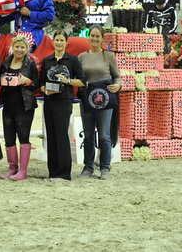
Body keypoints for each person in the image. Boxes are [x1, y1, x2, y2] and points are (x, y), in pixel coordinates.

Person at [39, 30, 86, 181]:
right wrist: (44, 90)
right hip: (49, 101)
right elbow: (40, 83)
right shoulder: (47, 61)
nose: (59, 43)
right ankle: (53, 172)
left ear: (66, 42)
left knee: (61, 136)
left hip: (64, 101)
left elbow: (82, 81)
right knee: (51, 136)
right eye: (56, 40)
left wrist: (68, 81)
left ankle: (64, 173)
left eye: (61, 40)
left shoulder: (72, 60)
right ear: (53, 42)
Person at [78, 25, 121, 180]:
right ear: (89, 37)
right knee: (88, 135)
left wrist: (118, 85)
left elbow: (117, 76)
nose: (95, 39)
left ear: (102, 39)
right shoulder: (81, 57)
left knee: (104, 135)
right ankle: (88, 167)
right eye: (92, 36)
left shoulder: (108, 56)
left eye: (98, 36)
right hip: (87, 101)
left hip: (105, 101)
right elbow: (79, 78)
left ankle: (105, 167)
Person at [0, 35, 39, 180]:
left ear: (27, 49)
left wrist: (28, 82)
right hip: (8, 105)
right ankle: (12, 168)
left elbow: (36, 85)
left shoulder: (30, 64)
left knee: (23, 136)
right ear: (12, 47)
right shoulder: (5, 63)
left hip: (24, 105)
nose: (19, 50)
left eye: (22, 47)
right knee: (9, 137)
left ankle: (23, 171)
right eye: (17, 47)